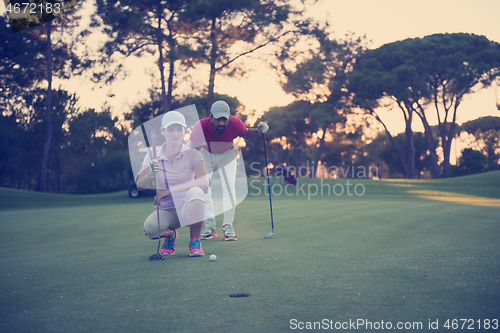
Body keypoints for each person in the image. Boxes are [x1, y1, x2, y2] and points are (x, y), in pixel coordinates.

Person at [190, 100, 269, 241]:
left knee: (229, 188)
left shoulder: (235, 123)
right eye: (217, 119)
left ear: (229, 117)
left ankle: (228, 226)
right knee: (204, 189)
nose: (221, 123)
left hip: (228, 154)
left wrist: (258, 131)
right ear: (211, 117)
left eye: (224, 120)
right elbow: (193, 148)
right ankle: (210, 227)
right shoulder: (200, 126)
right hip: (206, 153)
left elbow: (246, 133)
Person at [137, 111, 209, 257]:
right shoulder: (152, 155)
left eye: (178, 129)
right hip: (168, 211)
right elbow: (140, 185)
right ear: (163, 131)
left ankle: (194, 241)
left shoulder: (193, 154)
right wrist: (150, 174)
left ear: (184, 131)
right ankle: (171, 236)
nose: (175, 134)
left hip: (188, 208)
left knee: (196, 192)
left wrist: (169, 191)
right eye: (170, 130)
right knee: (150, 229)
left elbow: (204, 182)